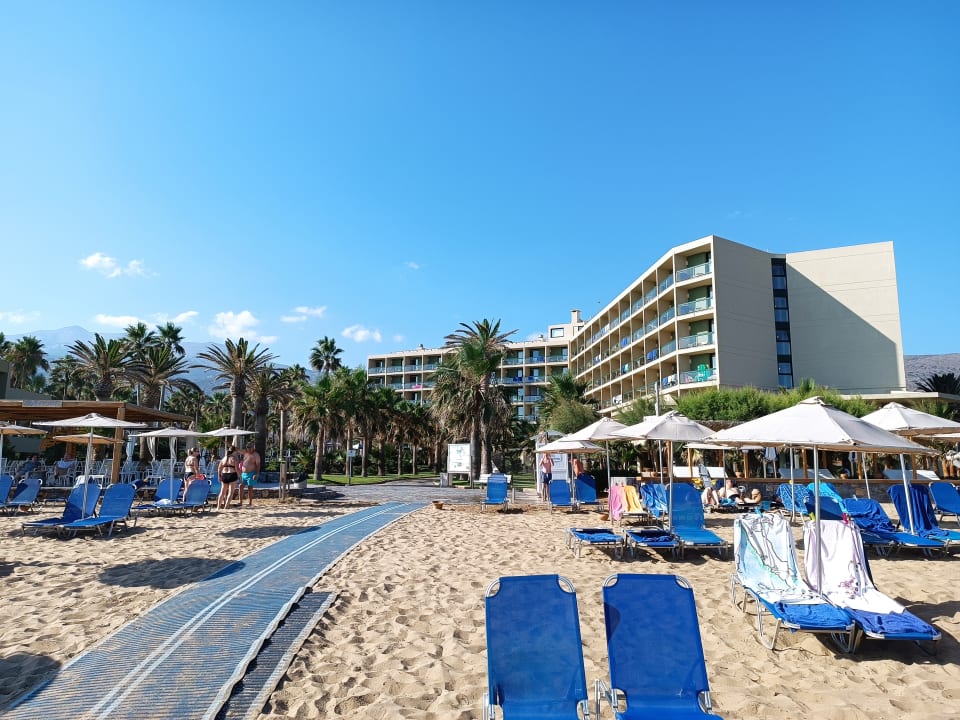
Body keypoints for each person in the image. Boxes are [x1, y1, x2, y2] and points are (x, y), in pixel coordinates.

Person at [239, 441, 261, 508]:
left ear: (253, 448)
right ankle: (240, 502)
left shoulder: (256, 455)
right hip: (244, 473)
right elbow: (236, 449)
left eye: (250, 447)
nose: (248, 449)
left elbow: (258, 465)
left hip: (251, 473)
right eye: (247, 447)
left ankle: (250, 502)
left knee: (250, 487)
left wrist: (256, 474)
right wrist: (228, 443)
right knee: (241, 486)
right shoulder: (245, 453)